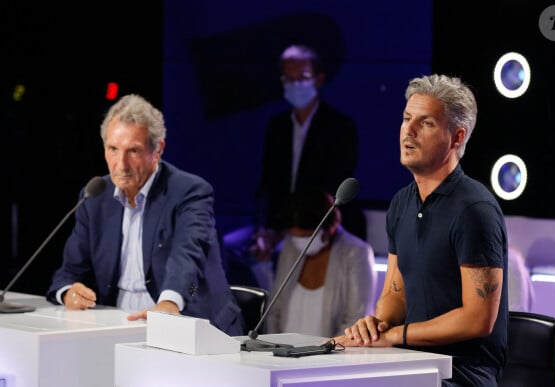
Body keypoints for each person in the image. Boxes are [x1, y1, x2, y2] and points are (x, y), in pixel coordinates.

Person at [335, 74, 509, 386]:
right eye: (406, 118)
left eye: (426, 123)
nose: (409, 131)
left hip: (463, 373)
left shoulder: (474, 210)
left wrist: (394, 336)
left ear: (456, 138)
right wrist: (376, 325)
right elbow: (394, 293)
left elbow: (477, 319)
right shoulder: (402, 203)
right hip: (411, 360)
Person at [46, 94, 244, 336]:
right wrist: (68, 292)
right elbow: (68, 272)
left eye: (134, 151)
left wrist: (170, 302)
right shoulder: (95, 197)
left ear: (158, 149)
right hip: (120, 331)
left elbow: (189, 258)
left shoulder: (190, 192)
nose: (121, 163)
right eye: (113, 149)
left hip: (196, 326)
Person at [222, 43, 365, 290]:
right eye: (288, 78)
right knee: (231, 244)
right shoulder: (277, 126)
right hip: (279, 221)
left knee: (294, 246)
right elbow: (266, 185)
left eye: (303, 77)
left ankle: (283, 302)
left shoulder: (340, 126)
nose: (295, 84)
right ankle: (261, 310)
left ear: (319, 79)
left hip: (317, 218)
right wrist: (263, 229)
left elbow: (333, 187)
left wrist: (286, 229)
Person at [266, 188, 376, 338]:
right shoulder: (290, 246)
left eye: (306, 236)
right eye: (294, 236)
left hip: (330, 357)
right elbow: (274, 309)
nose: (300, 242)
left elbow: (356, 319)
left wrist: (327, 353)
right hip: (283, 354)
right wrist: (274, 347)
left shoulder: (356, 253)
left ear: (329, 227)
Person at [507, 246, 534, 312]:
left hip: (508, 315)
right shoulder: (518, 258)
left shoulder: (504, 258)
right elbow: (531, 297)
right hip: (522, 316)